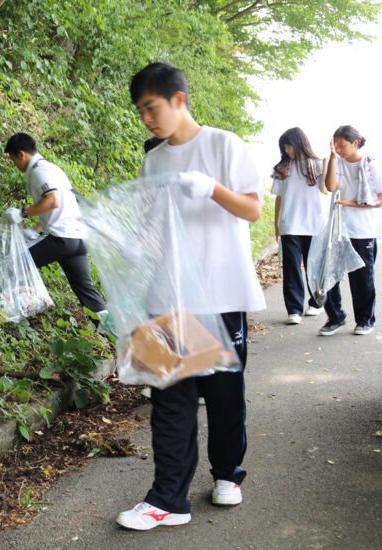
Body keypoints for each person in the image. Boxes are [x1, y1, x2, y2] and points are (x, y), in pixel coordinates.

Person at [116, 62, 266, 531]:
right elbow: (149, 229)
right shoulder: (154, 159)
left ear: (179, 99)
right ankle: (168, 499)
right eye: (141, 111)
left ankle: (228, 474)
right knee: (169, 397)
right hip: (169, 297)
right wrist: (129, 243)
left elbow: (254, 209)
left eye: (151, 107)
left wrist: (213, 189)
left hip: (220, 293)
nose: (146, 119)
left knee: (224, 395)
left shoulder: (224, 144)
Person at [3, 133, 108, 321]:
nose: (14, 164)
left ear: (21, 154)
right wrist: (36, 230)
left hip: (61, 240)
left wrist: (22, 213)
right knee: (88, 295)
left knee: (13, 264)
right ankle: (113, 333)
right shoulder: (53, 169)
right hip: (77, 240)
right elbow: (62, 209)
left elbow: (53, 201)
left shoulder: (38, 171)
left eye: (13, 159)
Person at [319, 125, 382, 336]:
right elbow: (330, 187)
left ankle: (364, 320)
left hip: (362, 230)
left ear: (355, 143)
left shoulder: (370, 166)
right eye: (335, 145)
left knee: (361, 278)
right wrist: (332, 157)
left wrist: (350, 204)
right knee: (328, 273)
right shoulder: (337, 163)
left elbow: (379, 200)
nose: (338, 149)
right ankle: (335, 317)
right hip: (337, 229)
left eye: (341, 145)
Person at [270, 127, 327, 325]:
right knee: (291, 268)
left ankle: (316, 303)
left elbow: (325, 189)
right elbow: (279, 197)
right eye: (284, 147)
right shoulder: (282, 168)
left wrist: (330, 164)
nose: (286, 150)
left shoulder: (318, 165)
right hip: (290, 224)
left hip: (313, 224)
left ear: (299, 143)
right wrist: (276, 223)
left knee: (314, 266)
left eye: (289, 145)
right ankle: (294, 310)